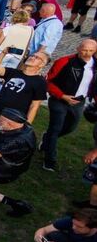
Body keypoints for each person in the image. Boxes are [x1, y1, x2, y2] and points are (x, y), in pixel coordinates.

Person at [41, 37, 97, 171]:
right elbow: (49, 82)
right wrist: (62, 96)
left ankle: (46, 138)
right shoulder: (64, 61)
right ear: (78, 48)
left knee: (71, 127)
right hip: (59, 100)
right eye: (84, 50)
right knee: (55, 128)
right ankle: (50, 160)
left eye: (91, 51)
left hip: (79, 101)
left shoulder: (95, 65)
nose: (87, 53)